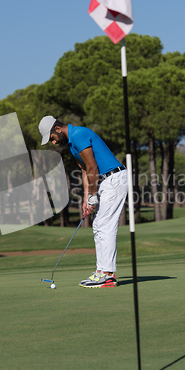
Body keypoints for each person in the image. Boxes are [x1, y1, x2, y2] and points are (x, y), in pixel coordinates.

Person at [38, 116, 128, 288]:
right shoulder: (72, 144)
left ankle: (108, 275)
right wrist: (87, 198)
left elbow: (93, 167)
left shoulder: (78, 134)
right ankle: (101, 271)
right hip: (106, 181)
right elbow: (86, 170)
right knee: (98, 225)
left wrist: (93, 195)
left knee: (105, 225)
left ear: (57, 129)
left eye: (52, 138)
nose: (54, 143)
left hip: (114, 179)